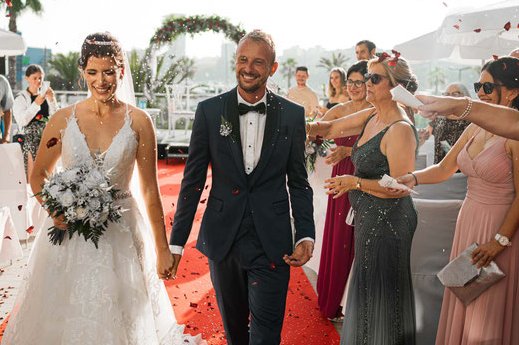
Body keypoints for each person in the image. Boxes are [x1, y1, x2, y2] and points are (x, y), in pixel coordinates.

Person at [1, 33, 204, 344]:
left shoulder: (139, 121)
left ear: (121, 71)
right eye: (93, 72)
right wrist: (54, 208)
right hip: (68, 238)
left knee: (122, 317)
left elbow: (149, 190)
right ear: (83, 71)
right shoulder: (61, 120)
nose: (101, 80)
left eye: (109, 71)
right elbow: (38, 174)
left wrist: (163, 249)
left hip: (122, 234)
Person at [169, 30, 314, 345]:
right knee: (235, 332)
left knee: (266, 335)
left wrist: (305, 233)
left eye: (258, 62)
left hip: (272, 241)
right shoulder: (209, 111)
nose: (248, 68)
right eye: (243, 60)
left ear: (272, 68)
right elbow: (192, 181)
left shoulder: (292, 114)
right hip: (224, 240)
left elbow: (299, 181)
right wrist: (176, 244)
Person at [399, 57, 519, 345]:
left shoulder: (515, 135)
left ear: (513, 91)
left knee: (487, 311)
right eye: (479, 85)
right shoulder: (475, 126)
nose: (481, 93)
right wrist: (410, 178)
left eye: (489, 87)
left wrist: (499, 241)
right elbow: (443, 169)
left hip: (500, 229)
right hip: (468, 223)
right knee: (465, 300)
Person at [307, 54, 419, 343]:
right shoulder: (372, 114)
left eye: (375, 78)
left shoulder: (401, 129)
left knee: (382, 298)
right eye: (368, 77)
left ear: (396, 86)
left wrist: (354, 182)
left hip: (389, 222)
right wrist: (286, 121)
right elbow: (329, 128)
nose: (367, 83)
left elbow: (401, 187)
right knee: (368, 295)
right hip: (370, 219)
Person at [315, 60, 372, 321]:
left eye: (359, 82)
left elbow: (383, 148)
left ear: (369, 83)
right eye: (350, 82)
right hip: (340, 179)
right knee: (340, 236)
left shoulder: (376, 111)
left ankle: (357, 303)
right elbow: (316, 131)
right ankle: (334, 299)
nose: (353, 87)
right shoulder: (339, 110)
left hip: (366, 176)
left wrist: (348, 151)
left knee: (361, 238)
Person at [13, 64, 58, 179]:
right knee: (32, 176)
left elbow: (55, 117)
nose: (38, 81)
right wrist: (36, 104)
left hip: (45, 137)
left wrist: (52, 100)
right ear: (27, 78)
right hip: (28, 139)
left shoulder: (47, 97)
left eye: (40, 78)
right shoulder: (21, 98)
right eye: (35, 78)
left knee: (48, 175)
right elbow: (22, 121)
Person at [418, 82, 471, 164]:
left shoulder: (471, 122)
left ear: (465, 96)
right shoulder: (439, 119)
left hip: (462, 172)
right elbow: (424, 135)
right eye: (446, 94)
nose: (449, 97)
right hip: (439, 170)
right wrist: (421, 136)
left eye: (454, 94)